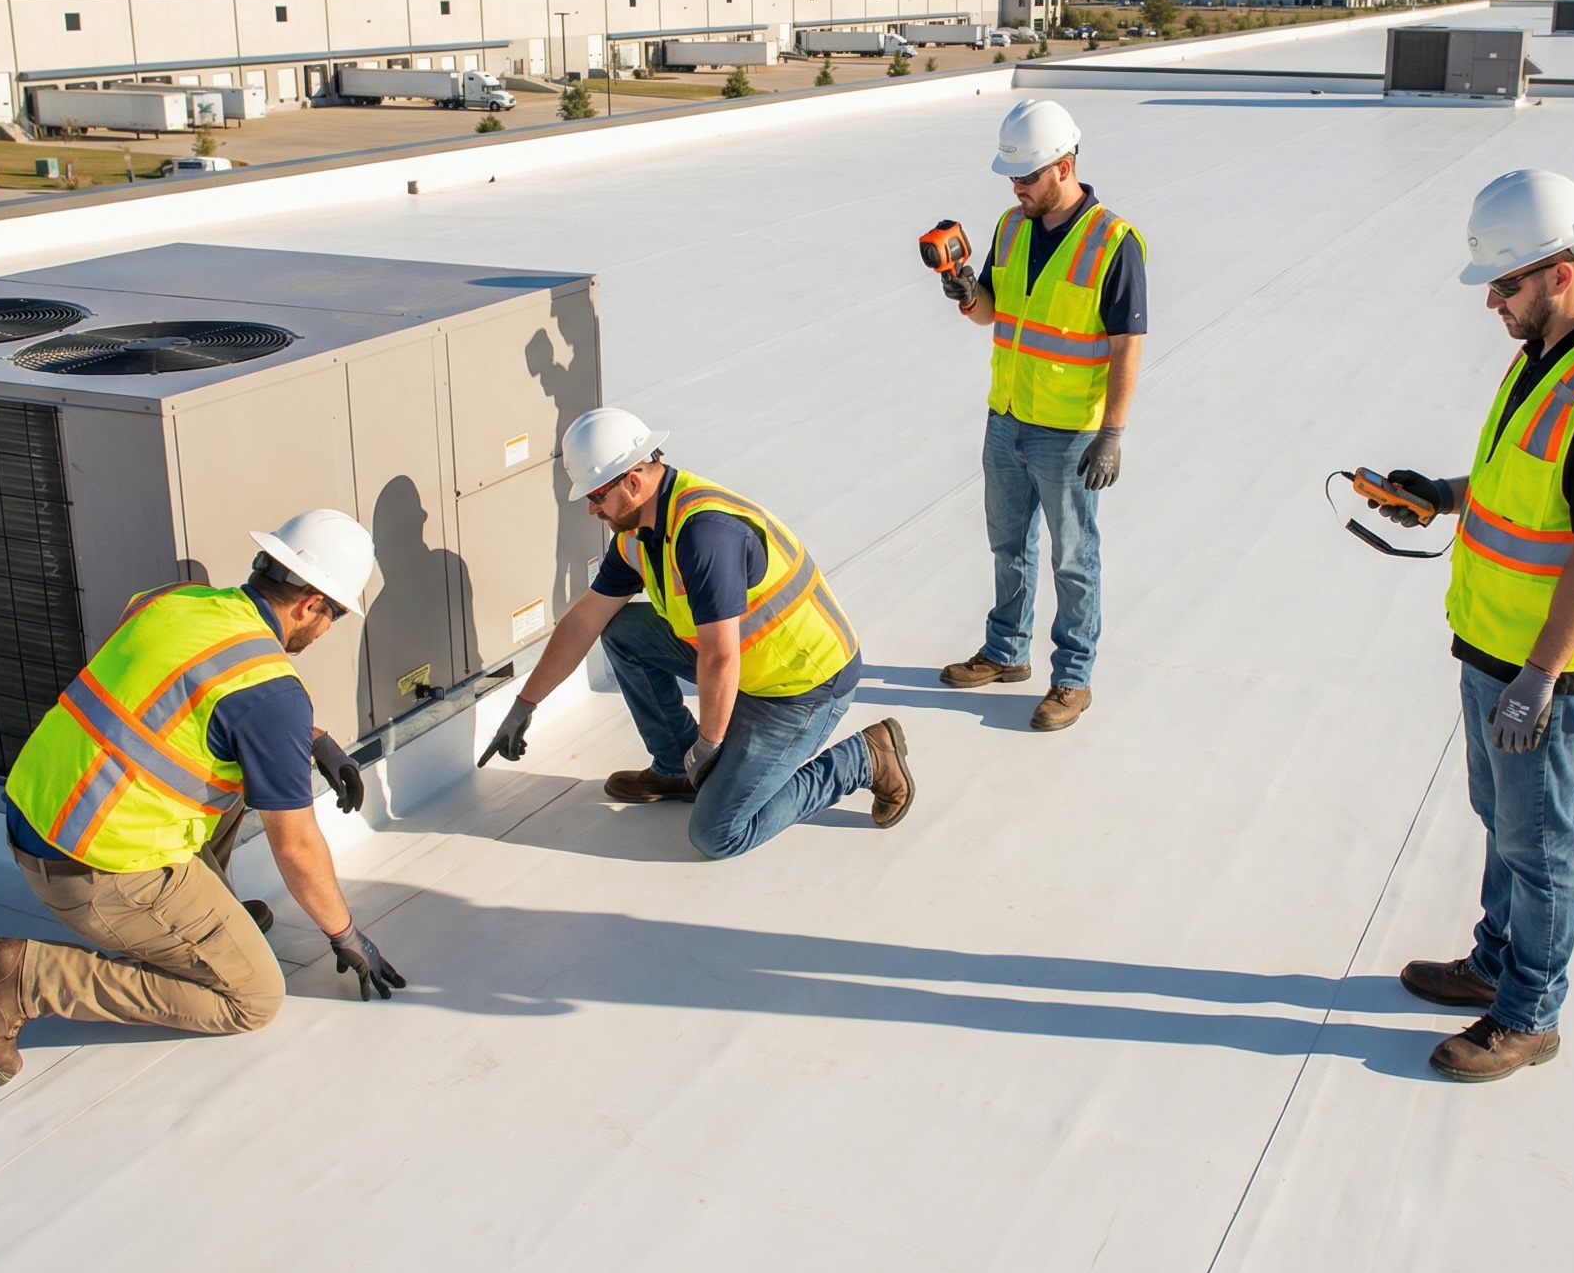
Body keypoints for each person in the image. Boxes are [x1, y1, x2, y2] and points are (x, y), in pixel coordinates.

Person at [1364, 169, 1574, 1082]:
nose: (1492, 302)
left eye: (1505, 284)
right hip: (1493, 642)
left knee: (1540, 842)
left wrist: (1539, 678)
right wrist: (1444, 497)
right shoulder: (1546, 357)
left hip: (1549, 667)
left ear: (1560, 272)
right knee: (1501, 819)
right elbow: (1518, 488)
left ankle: (1529, 1013)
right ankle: (1496, 961)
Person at [0, 509, 406, 1086]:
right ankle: (28, 976)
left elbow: (180, 705)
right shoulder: (272, 693)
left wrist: (312, 740)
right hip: (94, 871)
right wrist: (345, 935)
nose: (326, 631)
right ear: (310, 605)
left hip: (42, 818)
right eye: (335, 616)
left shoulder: (172, 601)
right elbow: (296, 847)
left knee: (243, 773)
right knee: (252, 998)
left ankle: (205, 925)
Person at [482, 408, 915, 855]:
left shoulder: (705, 534)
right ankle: (674, 768)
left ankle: (864, 758)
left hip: (801, 687)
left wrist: (709, 745)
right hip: (747, 666)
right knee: (622, 630)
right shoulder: (636, 532)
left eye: (596, 496)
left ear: (632, 482)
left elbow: (720, 657)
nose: (592, 510)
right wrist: (524, 703)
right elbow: (585, 620)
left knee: (717, 834)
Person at [936, 97, 1148, 731]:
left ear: (1063, 164)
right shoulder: (1010, 226)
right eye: (1011, 177)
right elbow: (994, 314)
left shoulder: (1114, 242)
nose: (1016, 187)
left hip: (1069, 433)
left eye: (1025, 176)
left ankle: (1073, 677)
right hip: (1006, 418)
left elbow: (1126, 345)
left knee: (1073, 558)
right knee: (1009, 546)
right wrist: (969, 293)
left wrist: (1112, 433)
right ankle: (1006, 651)